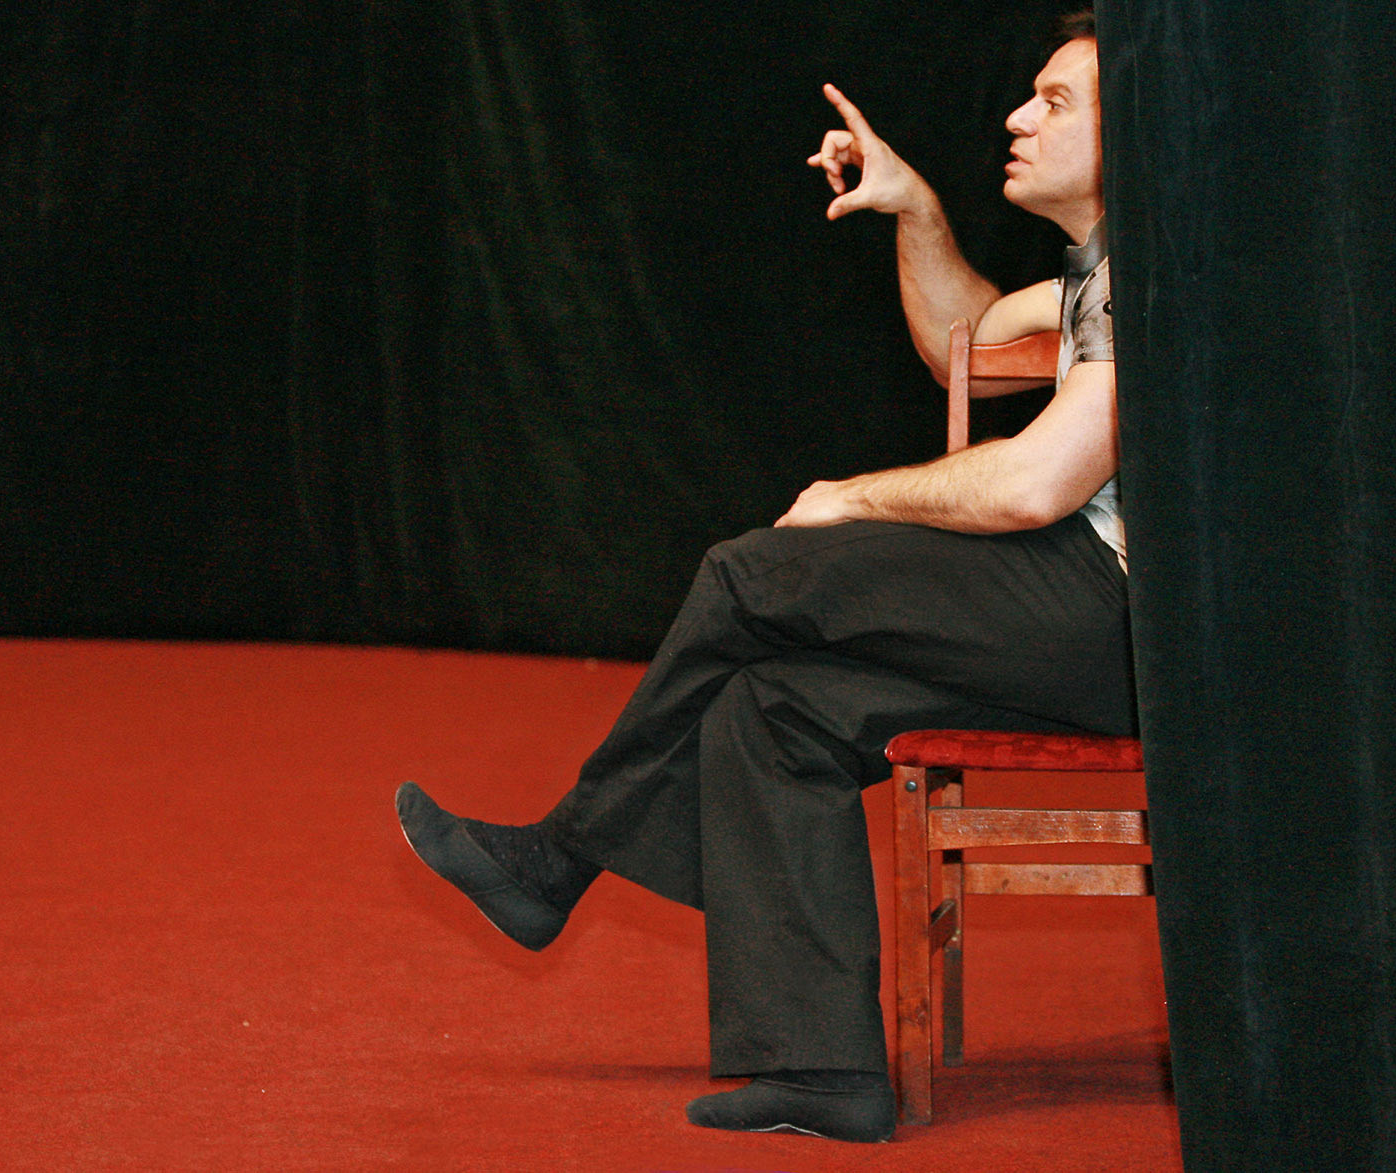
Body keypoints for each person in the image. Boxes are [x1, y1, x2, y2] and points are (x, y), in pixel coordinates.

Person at [396, 11, 1129, 1145]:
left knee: (756, 576)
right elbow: (968, 341)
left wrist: (855, 496)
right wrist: (915, 209)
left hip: (1123, 624)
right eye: (1030, 94)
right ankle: (822, 1068)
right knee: (770, 707)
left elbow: (1038, 484)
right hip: (1077, 619)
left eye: (1056, 102)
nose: (1018, 116)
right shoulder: (1093, 274)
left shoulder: (1155, 278)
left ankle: (559, 858)